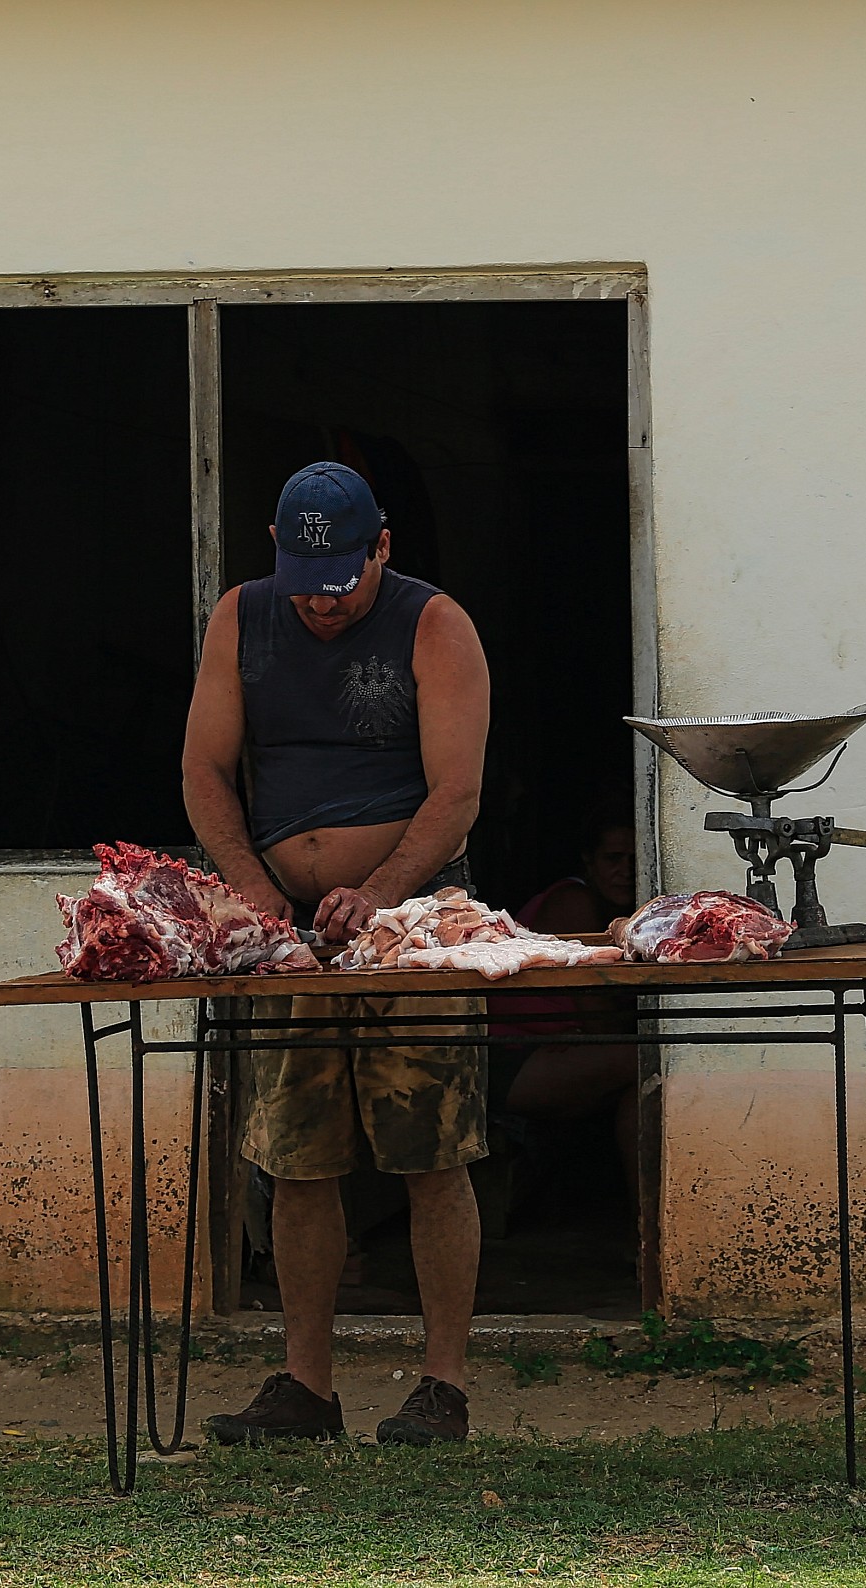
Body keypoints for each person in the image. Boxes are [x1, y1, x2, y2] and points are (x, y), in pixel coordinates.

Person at [180, 460, 491, 1447]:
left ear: (383, 549)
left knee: (431, 1150)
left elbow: (456, 795)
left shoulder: (434, 625)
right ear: (277, 554)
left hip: (411, 920)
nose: (322, 606)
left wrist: (382, 893)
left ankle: (443, 1384)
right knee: (294, 1153)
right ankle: (304, 1385)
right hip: (290, 935)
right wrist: (260, 893)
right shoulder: (242, 617)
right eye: (305, 588)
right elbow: (205, 769)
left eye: (344, 585)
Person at [493, 810, 642, 1201]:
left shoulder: (619, 914)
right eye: (613, 859)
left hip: (553, 1051)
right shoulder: (573, 902)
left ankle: (646, 1231)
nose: (626, 870)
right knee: (654, 1059)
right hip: (505, 1060)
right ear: (589, 862)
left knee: (644, 1092)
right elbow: (601, 1025)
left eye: (635, 859)